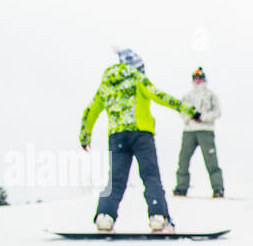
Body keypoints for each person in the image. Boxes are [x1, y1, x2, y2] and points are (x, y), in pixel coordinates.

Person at [79, 48, 198, 232]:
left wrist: (85, 136)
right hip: (141, 135)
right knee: (150, 176)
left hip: (117, 136)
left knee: (116, 179)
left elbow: (90, 111)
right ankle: (158, 217)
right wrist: (189, 110)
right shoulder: (138, 80)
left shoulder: (107, 85)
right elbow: (161, 97)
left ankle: (105, 216)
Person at [174, 67, 225, 198]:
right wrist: (190, 117)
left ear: (204, 79)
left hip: (206, 130)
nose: (197, 80)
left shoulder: (211, 95)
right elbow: (181, 110)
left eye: (200, 78)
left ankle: (218, 188)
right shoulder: (187, 96)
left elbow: (217, 112)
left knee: (211, 161)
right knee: (183, 160)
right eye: (195, 78)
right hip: (189, 130)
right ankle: (181, 188)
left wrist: (202, 117)